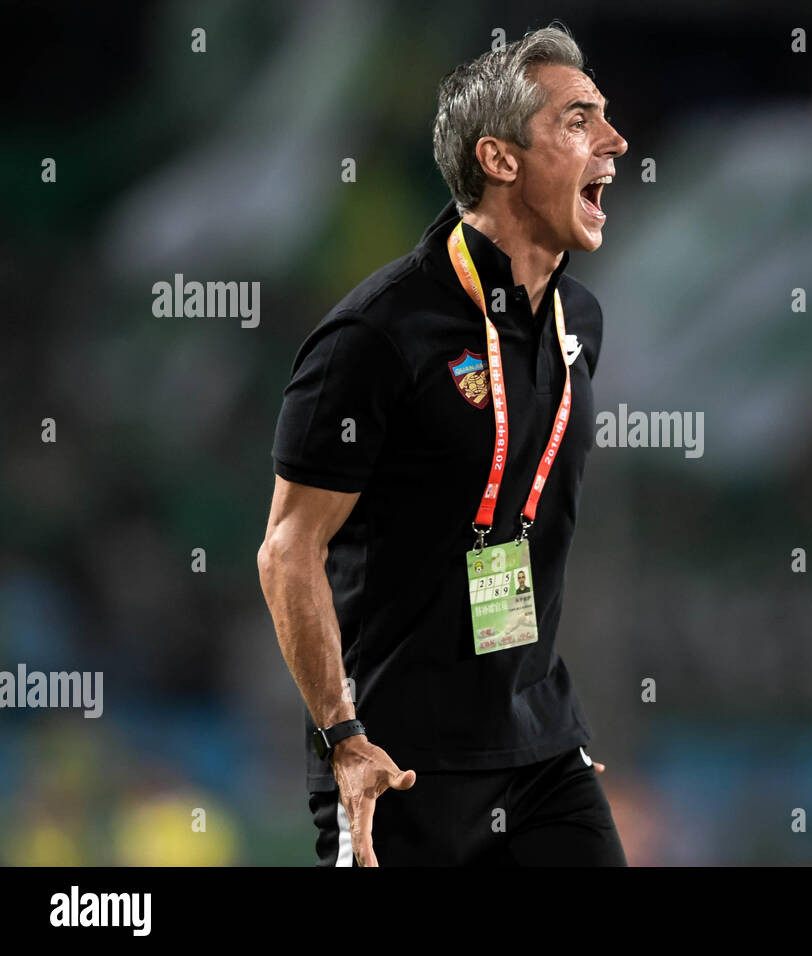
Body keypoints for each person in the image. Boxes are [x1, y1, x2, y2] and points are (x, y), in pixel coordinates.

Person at [256, 23, 628, 866]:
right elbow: (287, 551)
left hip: (539, 750)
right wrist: (344, 742)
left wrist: (535, 713)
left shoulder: (579, 323)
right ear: (500, 160)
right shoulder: (375, 335)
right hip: (399, 765)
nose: (614, 139)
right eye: (578, 120)